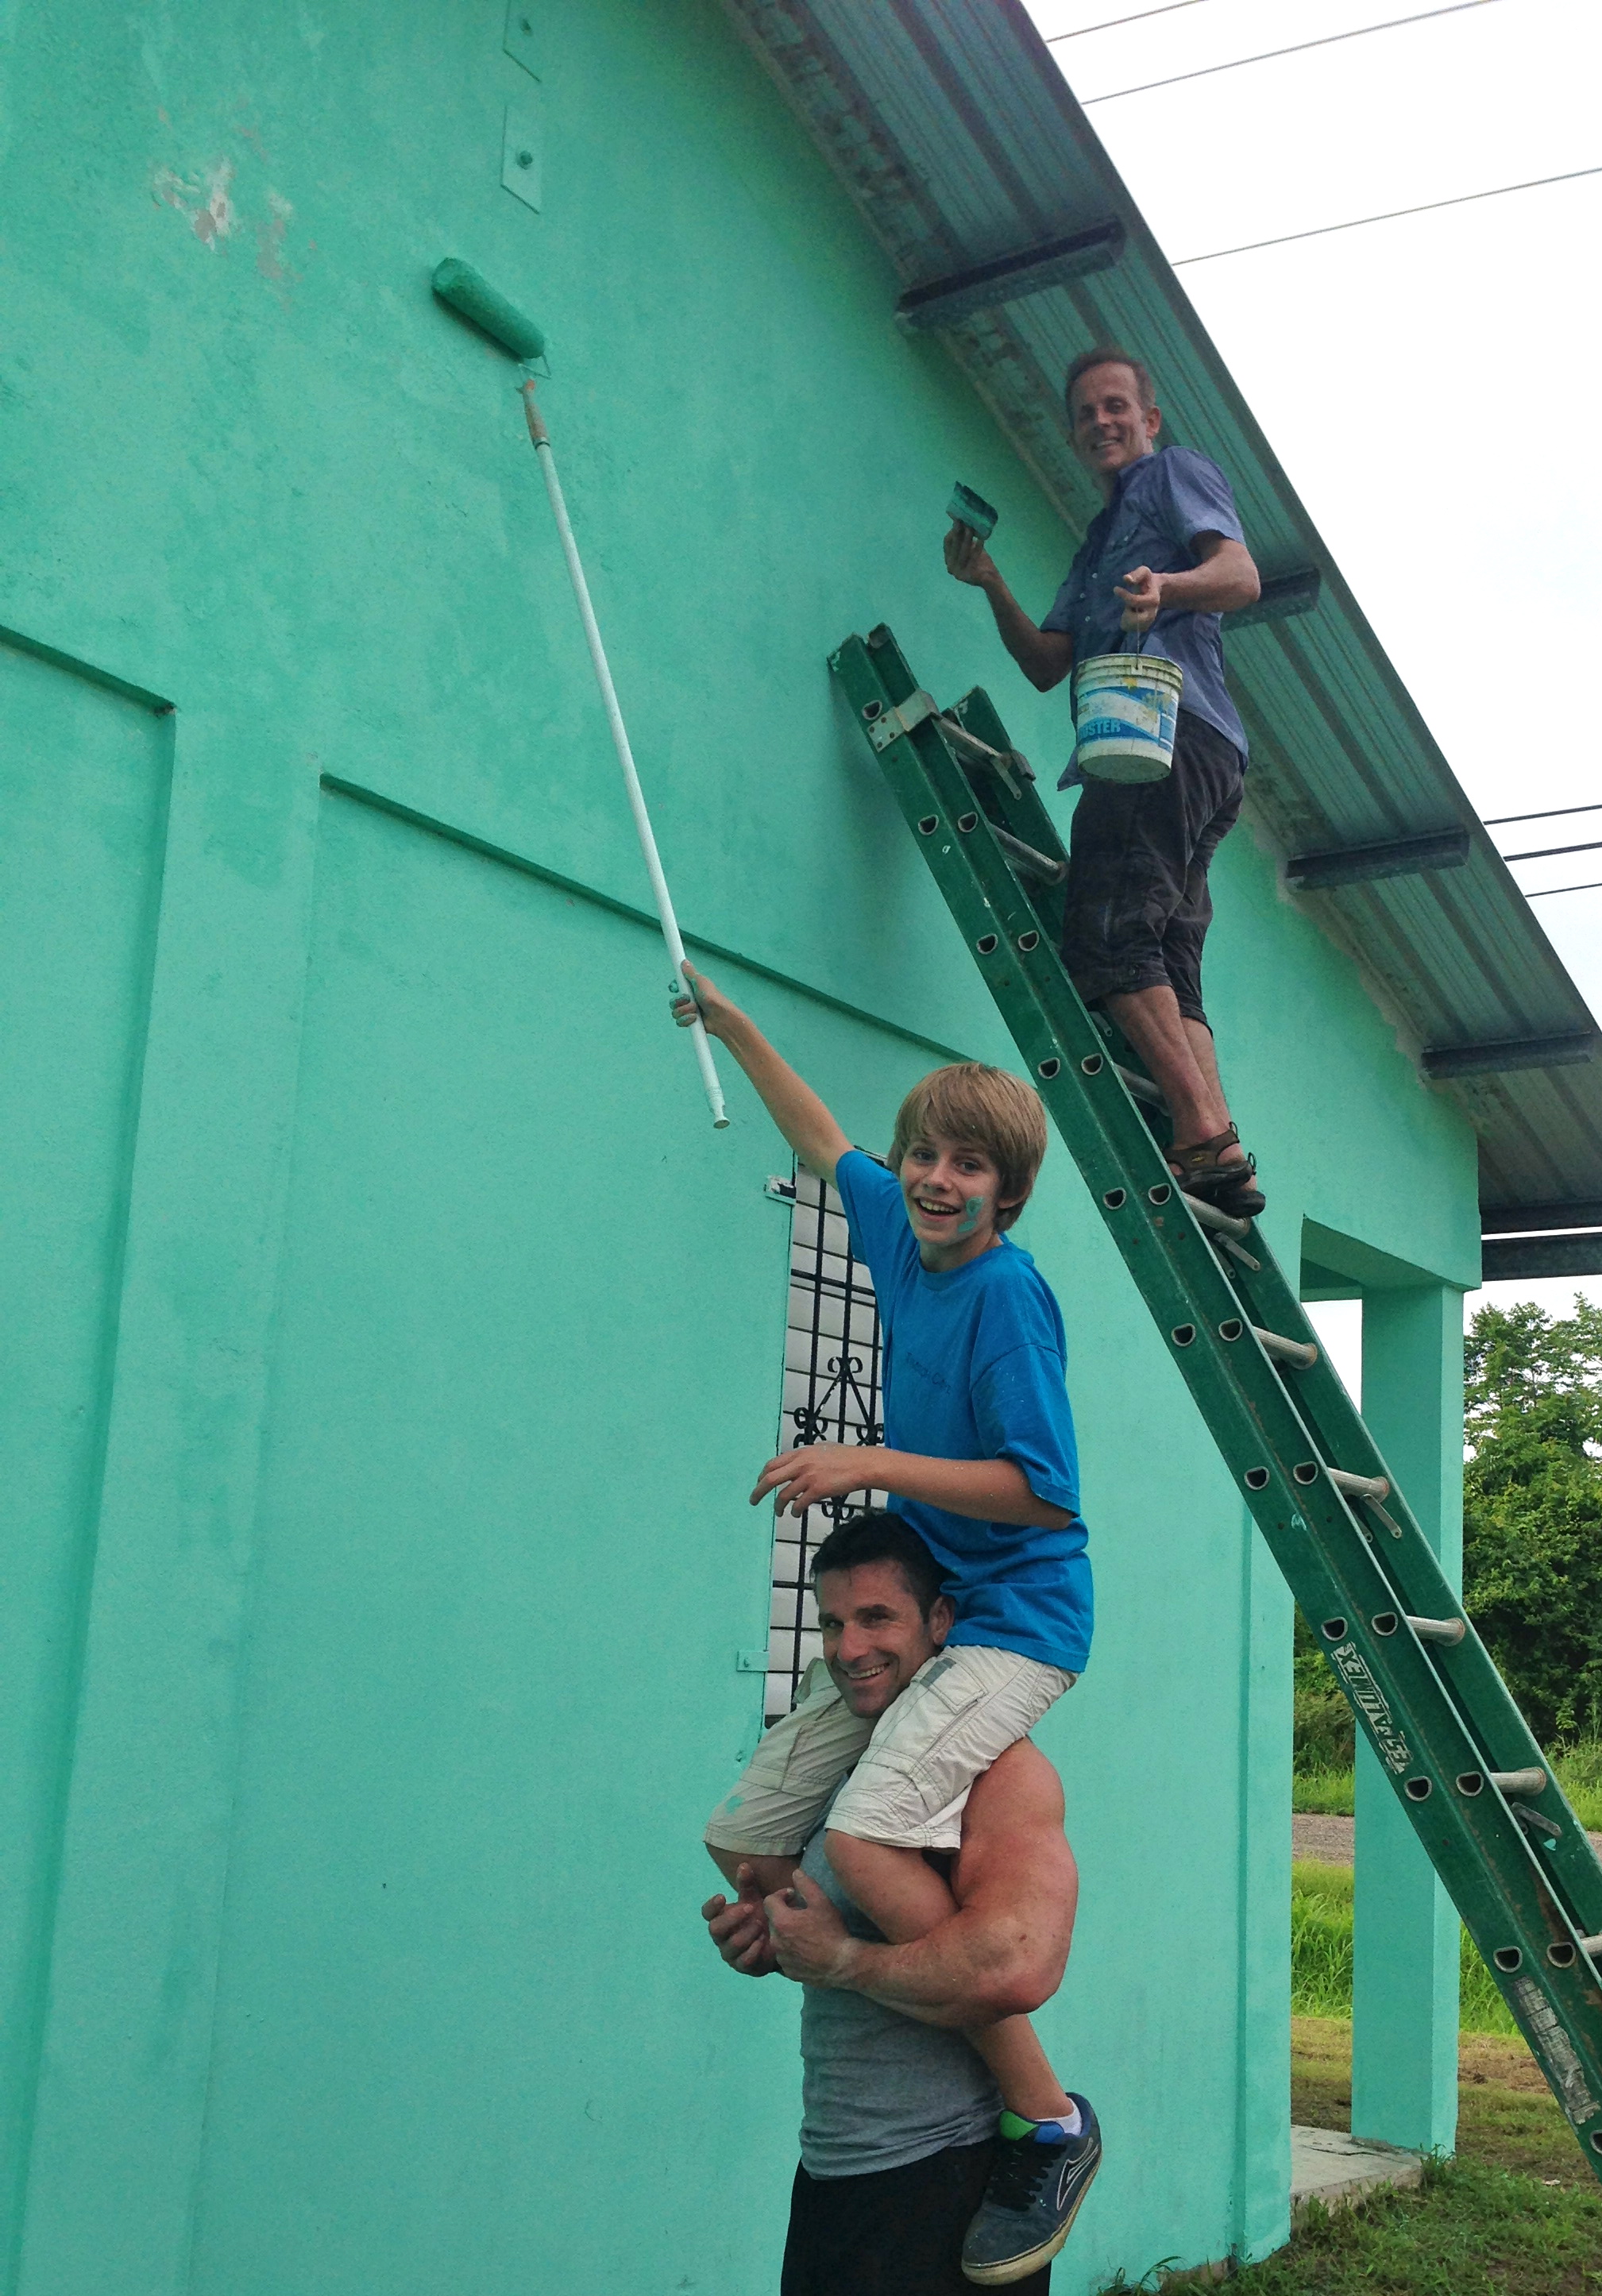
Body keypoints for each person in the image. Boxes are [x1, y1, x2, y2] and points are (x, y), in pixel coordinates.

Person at [670, 964, 1094, 2274]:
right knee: (745, 1834)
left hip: (1016, 1617)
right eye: (924, 1154)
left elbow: (1042, 1490)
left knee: (861, 1833)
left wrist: (869, 1461)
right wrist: (734, 1022)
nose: (934, 1177)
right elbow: (820, 1138)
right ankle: (800, 1937)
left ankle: (1047, 2118)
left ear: (1007, 1193)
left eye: (968, 1165)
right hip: (945, 1594)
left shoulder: (1006, 1295)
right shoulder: (900, 1239)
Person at [701, 1512, 1098, 2291]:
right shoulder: (856, 1769)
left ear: (939, 1620)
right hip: (835, 2166)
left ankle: (1055, 2120)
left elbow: (1015, 1965)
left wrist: (843, 1961)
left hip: (948, 2175)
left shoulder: (1002, 1774)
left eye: (877, 1617)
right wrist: (780, 1944)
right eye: (832, 1622)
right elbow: (839, 1935)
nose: (849, 1647)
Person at [944, 344, 1265, 1219]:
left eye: (1116, 405)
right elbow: (1046, 662)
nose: (1100, 421)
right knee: (1169, 957)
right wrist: (988, 580)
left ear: (1148, 418)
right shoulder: (1095, 545)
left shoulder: (1173, 474)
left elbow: (1239, 575)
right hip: (1200, 756)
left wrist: (1168, 588)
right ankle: (1222, 1149)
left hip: (1158, 739)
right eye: (1085, 412)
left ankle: (1201, 1131)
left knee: (1108, 936)